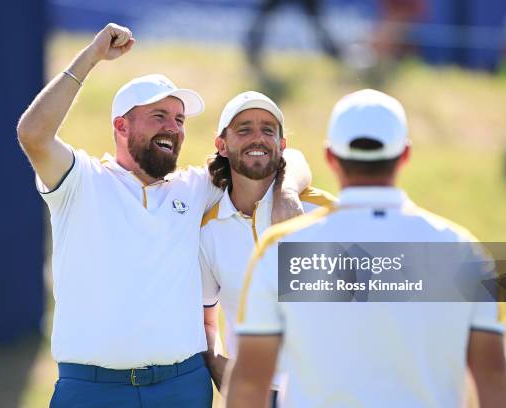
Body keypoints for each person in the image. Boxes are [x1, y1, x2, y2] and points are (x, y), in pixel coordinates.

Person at [16, 23, 310, 407]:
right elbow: (33, 134)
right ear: (121, 125)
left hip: (181, 387)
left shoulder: (196, 186)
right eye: (159, 116)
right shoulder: (80, 181)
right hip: (91, 389)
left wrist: (287, 189)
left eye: (179, 119)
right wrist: (91, 57)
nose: (173, 127)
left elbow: (286, 156)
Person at [227, 89, 506, 407]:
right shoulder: (465, 250)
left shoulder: (281, 249)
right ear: (405, 154)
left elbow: (249, 382)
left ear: (330, 157)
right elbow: (494, 377)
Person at [199, 92, 336, 402]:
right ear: (221, 145)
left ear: (282, 145)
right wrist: (216, 361)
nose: (257, 138)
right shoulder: (208, 229)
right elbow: (206, 317)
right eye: (244, 129)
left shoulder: (326, 212)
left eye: (268, 130)